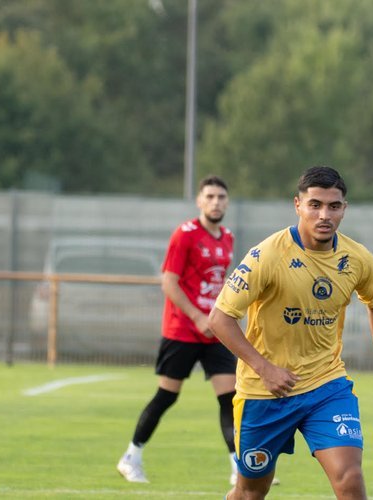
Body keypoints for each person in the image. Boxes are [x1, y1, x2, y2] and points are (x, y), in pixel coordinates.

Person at [207, 166, 373, 500]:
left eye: (333, 206)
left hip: (326, 386)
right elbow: (220, 318)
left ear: (344, 209)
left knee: (350, 479)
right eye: (315, 205)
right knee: (250, 493)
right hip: (264, 393)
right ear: (297, 205)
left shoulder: (357, 258)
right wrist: (264, 368)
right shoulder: (267, 255)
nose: (324, 215)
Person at [117, 175, 245, 485]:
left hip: (214, 332)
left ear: (227, 202)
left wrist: (222, 316)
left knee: (229, 398)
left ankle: (238, 469)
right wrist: (197, 316)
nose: (216, 202)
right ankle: (131, 456)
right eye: (210, 196)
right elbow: (169, 283)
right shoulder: (185, 235)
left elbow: (219, 283)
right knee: (167, 396)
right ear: (199, 201)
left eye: (221, 197)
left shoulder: (227, 237)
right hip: (182, 330)